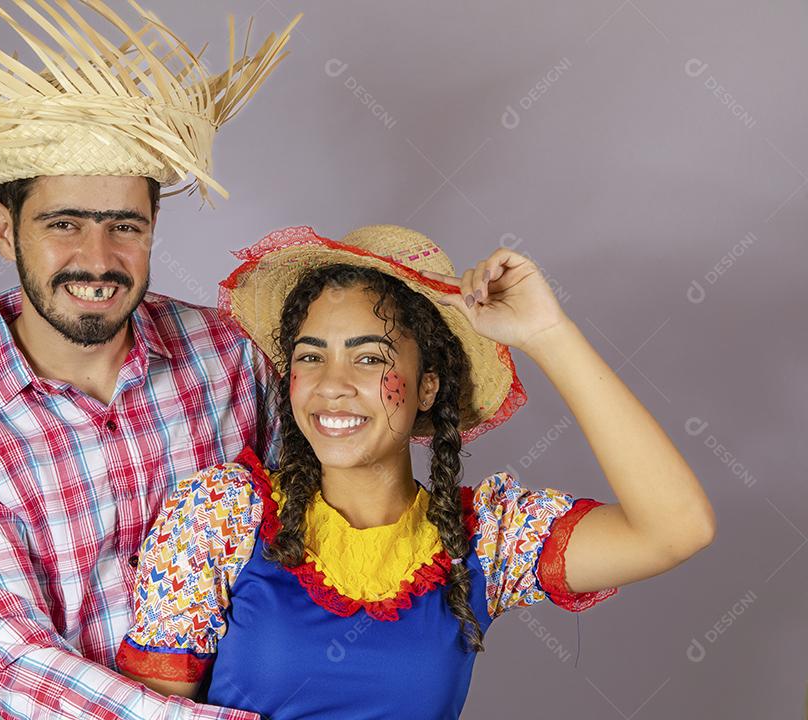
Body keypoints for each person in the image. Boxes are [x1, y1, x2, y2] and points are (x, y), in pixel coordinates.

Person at [0, 1, 301, 718]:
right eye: (65, 225)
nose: (97, 260)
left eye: (126, 226)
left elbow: (321, 523)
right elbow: (18, 660)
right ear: (5, 229)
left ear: (153, 229)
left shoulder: (231, 354)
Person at [115, 224, 717, 719]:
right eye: (311, 357)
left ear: (427, 386)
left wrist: (546, 334)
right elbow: (147, 711)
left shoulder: (483, 539)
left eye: (370, 357)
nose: (332, 386)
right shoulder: (219, 515)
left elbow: (675, 528)